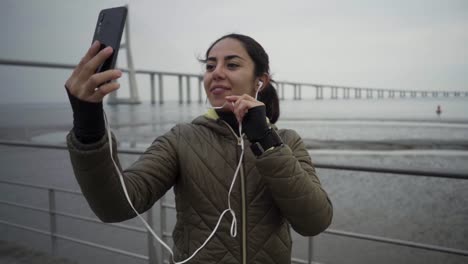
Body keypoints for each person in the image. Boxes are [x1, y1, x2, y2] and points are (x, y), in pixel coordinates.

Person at [65, 33, 333, 264]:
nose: (216, 72)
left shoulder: (286, 141)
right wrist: (88, 124)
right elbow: (115, 206)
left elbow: (314, 221)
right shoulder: (182, 138)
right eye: (210, 66)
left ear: (260, 80)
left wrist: (265, 139)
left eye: (232, 64)